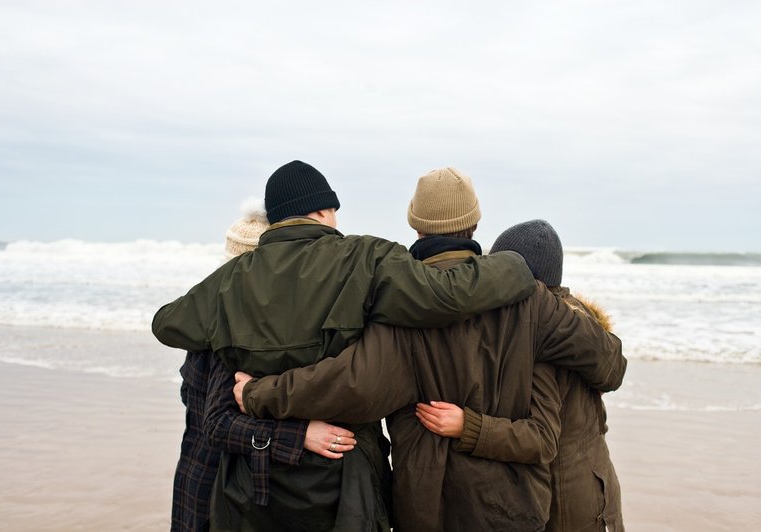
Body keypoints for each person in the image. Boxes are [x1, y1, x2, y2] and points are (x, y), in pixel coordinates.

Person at [152, 161, 537, 531]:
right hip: (342, 480)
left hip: (253, 487)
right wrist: (515, 265)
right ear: (323, 210)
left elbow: (167, 323)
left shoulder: (229, 280)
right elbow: (448, 296)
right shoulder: (365, 257)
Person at [235, 168, 627, 532]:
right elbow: (610, 365)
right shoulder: (531, 299)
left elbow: (350, 385)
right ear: (475, 222)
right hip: (514, 507)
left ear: (416, 224)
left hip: (428, 506)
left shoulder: (398, 304)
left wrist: (257, 393)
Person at [416, 219, 624, 531]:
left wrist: (467, 426)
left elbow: (541, 438)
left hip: (563, 505)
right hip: (599, 487)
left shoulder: (538, 336)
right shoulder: (578, 323)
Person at [170, 199, 356, 532]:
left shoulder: (206, 317)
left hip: (201, 482)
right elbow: (218, 424)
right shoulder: (231, 331)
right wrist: (300, 436)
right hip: (217, 494)